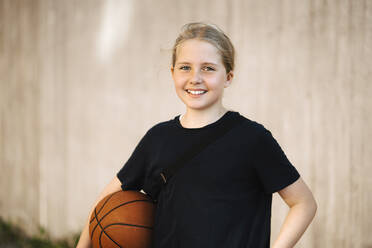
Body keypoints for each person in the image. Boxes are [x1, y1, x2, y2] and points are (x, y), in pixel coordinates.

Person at [77, 22, 317, 248]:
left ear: (228, 77)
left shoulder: (252, 139)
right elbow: (105, 201)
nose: (195, 78)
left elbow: (303, 203)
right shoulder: (157, 139)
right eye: (185, 67)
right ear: (173, 73)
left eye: (208, 68)